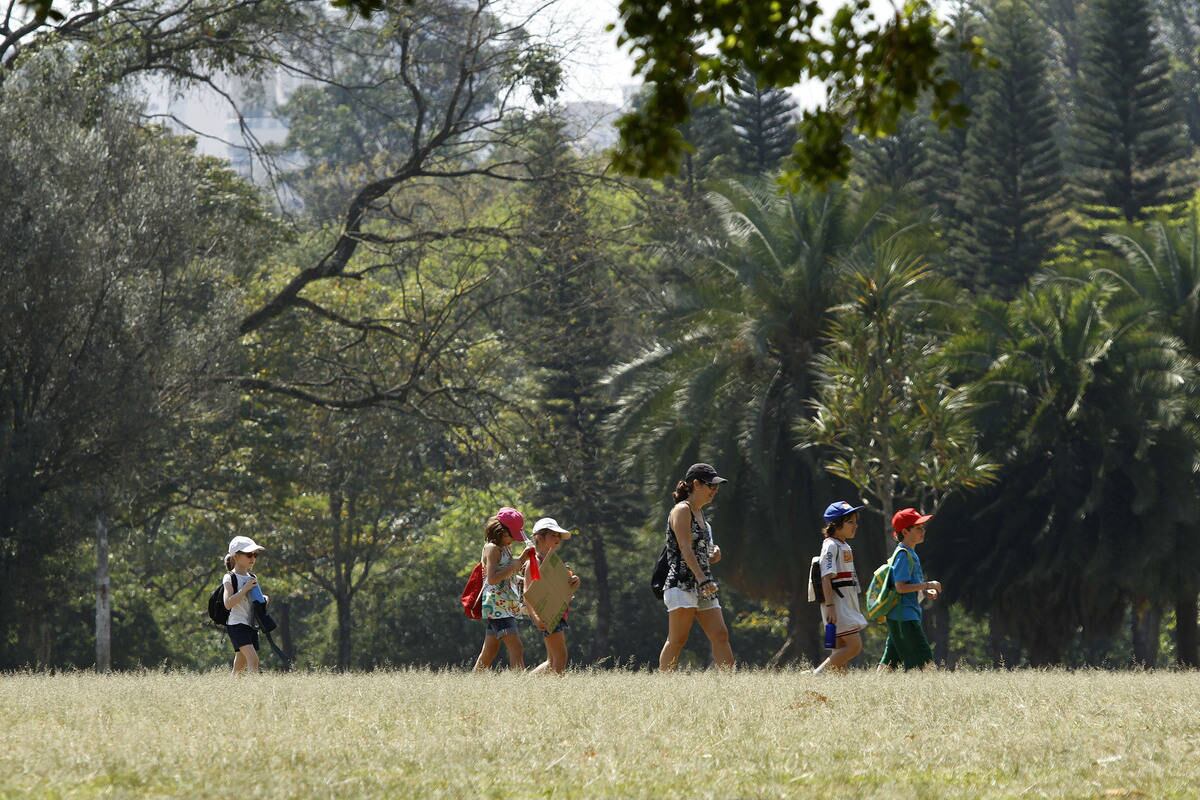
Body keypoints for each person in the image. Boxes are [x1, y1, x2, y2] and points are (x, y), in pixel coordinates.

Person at [659, 463, 734, 671]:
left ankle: (731, 682)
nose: (714, 490)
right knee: (678, 639)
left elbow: (702, 552)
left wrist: (714, 554)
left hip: (703, 583)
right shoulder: (682, 510)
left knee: (720, 634)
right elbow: (684, 548)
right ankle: (664, 684)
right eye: (711, 485)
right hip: (682, 582)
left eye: (716, 487)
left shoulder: (702, 516)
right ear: (696, 484)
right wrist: (702, 579)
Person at [879, 507, 942, 671]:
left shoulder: (910, 553)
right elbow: (900, 587)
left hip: (902, 614)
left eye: (923, 527)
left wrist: (925, 592)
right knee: (925, 660)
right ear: (905, 532)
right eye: (918, 528)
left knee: (889, 662)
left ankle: (872, 685)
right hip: (904, 616)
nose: (923, 531)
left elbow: (908, 585)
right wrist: (928, 584)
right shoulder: (903, 555)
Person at [473, 507, 533, 672]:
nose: (513, 540)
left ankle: (474, 680)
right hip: (496, 605)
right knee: (516, 648)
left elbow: (508, 573)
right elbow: (492, 578)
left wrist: (523, 562)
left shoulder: (505, 548)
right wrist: (517, 563)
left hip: (504, 604)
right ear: (501, 531)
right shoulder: (492, 549)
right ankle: (520, 684)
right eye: (511, 536)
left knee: (489, 651)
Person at [813, 501, 868, 674]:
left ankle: (838, 686)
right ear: (835, 525)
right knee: (854, 646)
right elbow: (826, 576)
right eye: (850, 522)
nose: (855, 526)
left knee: (839, 650)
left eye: (855, 522)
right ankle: (816, 675)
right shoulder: (831, 545)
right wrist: (830, 606)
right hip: (837, 604)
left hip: (846, 603)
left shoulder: (844, 545)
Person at [523, 517, 582, 675]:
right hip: (547, 615)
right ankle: (556, 687)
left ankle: (524, 684)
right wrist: (536, 618)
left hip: (558, 613)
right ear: (539, 537)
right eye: (552, 535)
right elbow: (527, 593)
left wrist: (574, 582)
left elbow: (562, 589)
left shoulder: (554, 562)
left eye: (558, 536)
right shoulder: (534, 562)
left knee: (551, 661)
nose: (557, 539)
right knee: (560, 656)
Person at [223, 535, 268, 676]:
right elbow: (228, 603)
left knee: (240, 665)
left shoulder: (252, 578)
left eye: (255, 555)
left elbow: (253, 602)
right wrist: (244, 589)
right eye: (249, 554)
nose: (253, 558)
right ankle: (255, 688)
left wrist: (264, 600)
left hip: (250, 625)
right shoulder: (229, 577)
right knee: (253, 659)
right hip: (236, 624)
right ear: (236, 556)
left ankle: (231, 686)